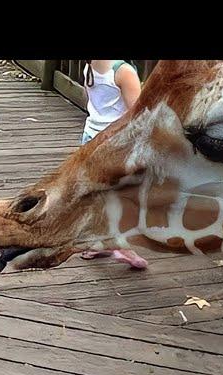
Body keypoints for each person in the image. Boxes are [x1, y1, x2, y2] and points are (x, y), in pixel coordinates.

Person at [79, 60, 148, 269]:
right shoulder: (123, 71)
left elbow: (87, 99)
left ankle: (98, 242)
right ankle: (121, 245)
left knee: (101, 194)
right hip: (116, 142)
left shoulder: (89, 65)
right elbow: (137, 114)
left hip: (91, 136)